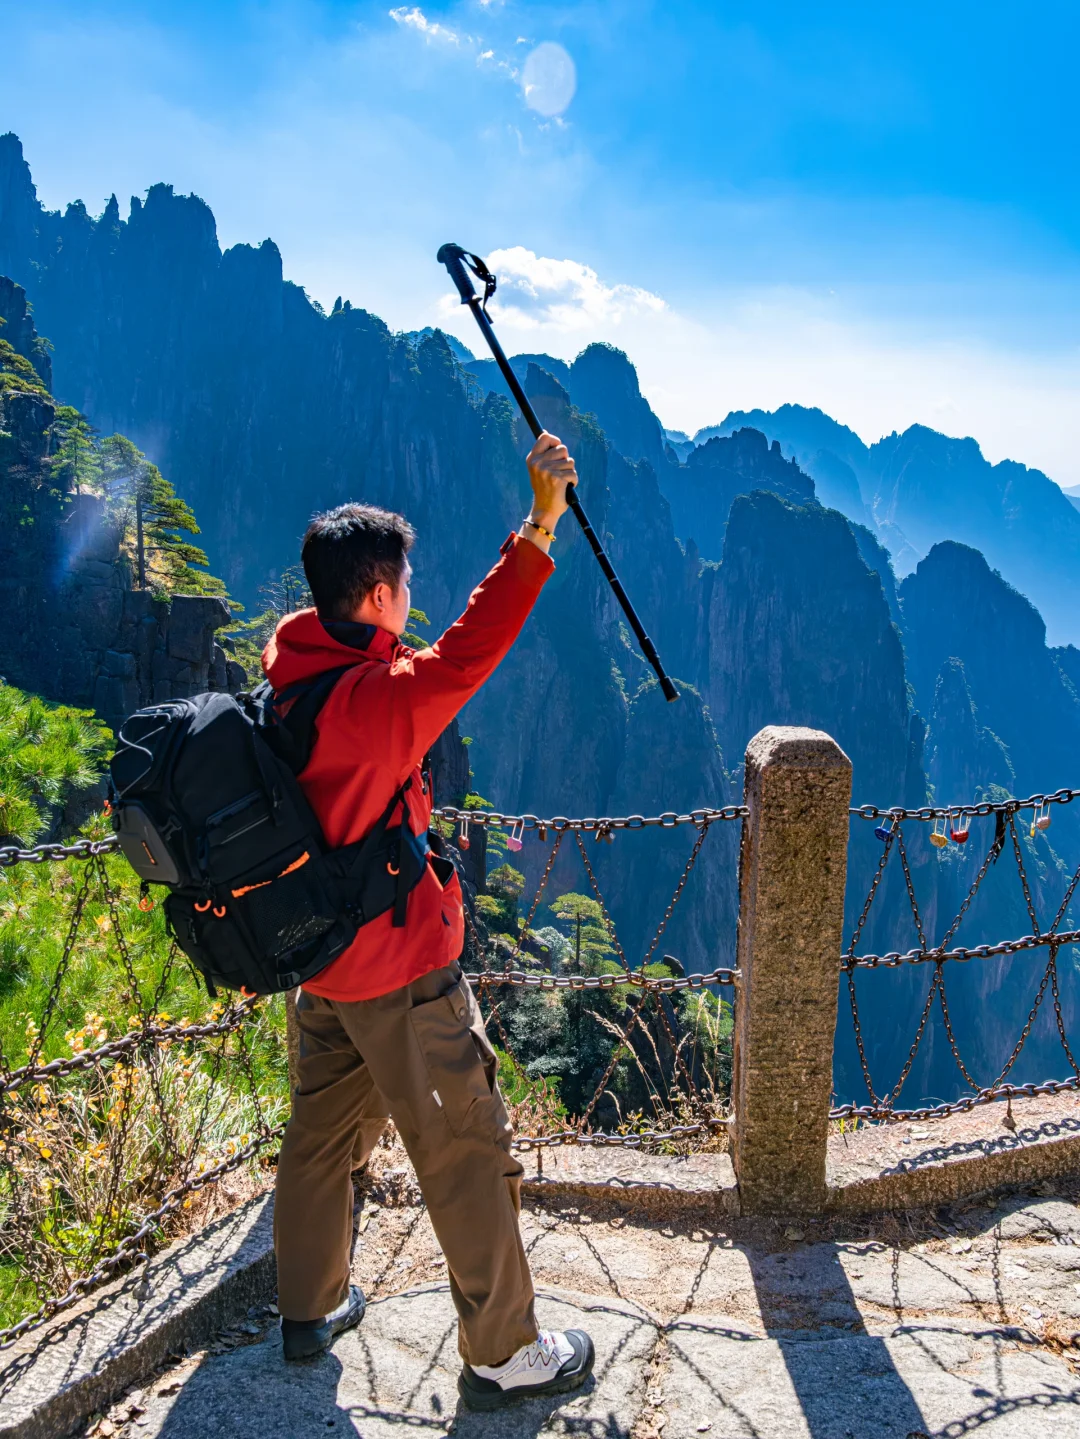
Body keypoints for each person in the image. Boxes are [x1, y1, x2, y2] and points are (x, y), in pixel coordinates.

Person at [263, 432, 595, 1410]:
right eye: (405, 583)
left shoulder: (296, 667)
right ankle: (504, 1350)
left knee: (321, 1137)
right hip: (401, 971)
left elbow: (420, 653)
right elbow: (472, 648)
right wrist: (539, 526)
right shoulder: (379, 701)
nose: (414, 597)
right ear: (374, 594)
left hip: (321, 963)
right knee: (466, 1150)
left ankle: (309, 1307)